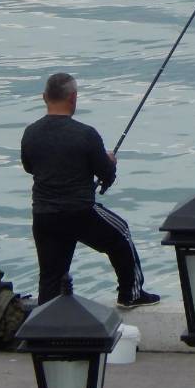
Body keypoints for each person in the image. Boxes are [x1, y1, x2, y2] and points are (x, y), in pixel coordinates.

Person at [21, 72, 159, 308]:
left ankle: (44, 326)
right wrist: (110, 162)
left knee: (51, 276)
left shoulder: (31, 133)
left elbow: (29, 167)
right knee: (121, 233)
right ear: (73, 98)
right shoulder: (86, 134)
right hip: (79, 212)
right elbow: (106, 174)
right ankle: (130, 293)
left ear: (45, 97)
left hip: (44, 215)